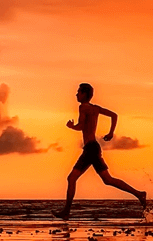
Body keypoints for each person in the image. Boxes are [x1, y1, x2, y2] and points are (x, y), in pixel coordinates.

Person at [54, 83, 146, 220]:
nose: (76, 94)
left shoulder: (83, 107)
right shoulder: (95, 108)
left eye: (78, 92)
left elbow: (81, 126)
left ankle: (66, 212)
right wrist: (111, 133)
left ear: (84, 94)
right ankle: (139, 194)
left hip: (90, 148)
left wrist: (71, 126)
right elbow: (114, 115)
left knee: (72, 178)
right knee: (107, 180)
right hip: (93, 147)